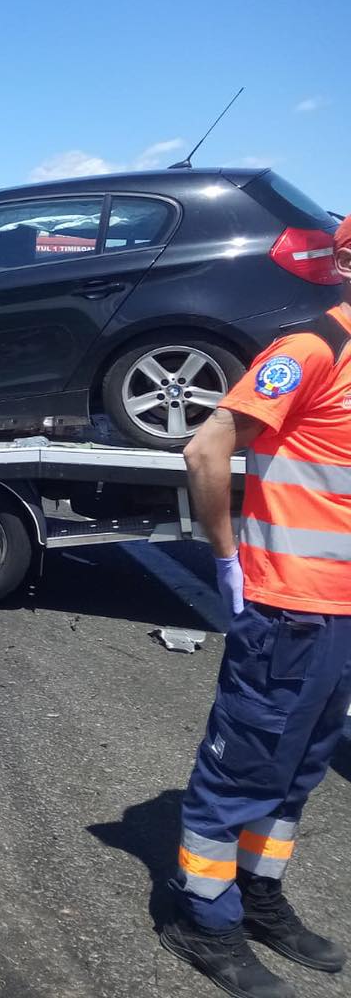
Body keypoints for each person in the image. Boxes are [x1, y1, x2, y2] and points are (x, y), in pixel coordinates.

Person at [163, 213, 351, 998]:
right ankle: (202, 920)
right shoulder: (311, 348)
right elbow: (205, 448)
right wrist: (226, 558)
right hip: (289, 611)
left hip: (340, 615)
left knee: (297, 770)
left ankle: (258, 895)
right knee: (241, 772)